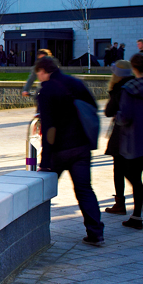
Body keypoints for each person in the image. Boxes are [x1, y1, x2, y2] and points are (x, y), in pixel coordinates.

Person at [35, 56, 104, 246]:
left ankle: (35, 234)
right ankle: (96, 232)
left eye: (38, 73)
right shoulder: (75, 83)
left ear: (43, 71)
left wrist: (45, 161)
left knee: (43, 193)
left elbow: (49, 127)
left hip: (59, 151)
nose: (38, 76)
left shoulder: (46, 90)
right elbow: (92, 107)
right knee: (85, 190)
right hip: (81, 146)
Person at [116, 53, 143, 230]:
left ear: (134, 68)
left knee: (131, 175)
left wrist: (117, 117)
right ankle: (136, 217)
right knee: (136, 176)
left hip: (134, 139)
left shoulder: (129, 88)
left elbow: (125, 116)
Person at [103, 60, 135, 215]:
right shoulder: (138, 85)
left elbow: (108, 111)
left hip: (122, 134)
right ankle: (137, 211)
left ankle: (120, 203)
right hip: (139, 134)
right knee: (135, 171)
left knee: (119, 170)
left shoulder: (119, 89)